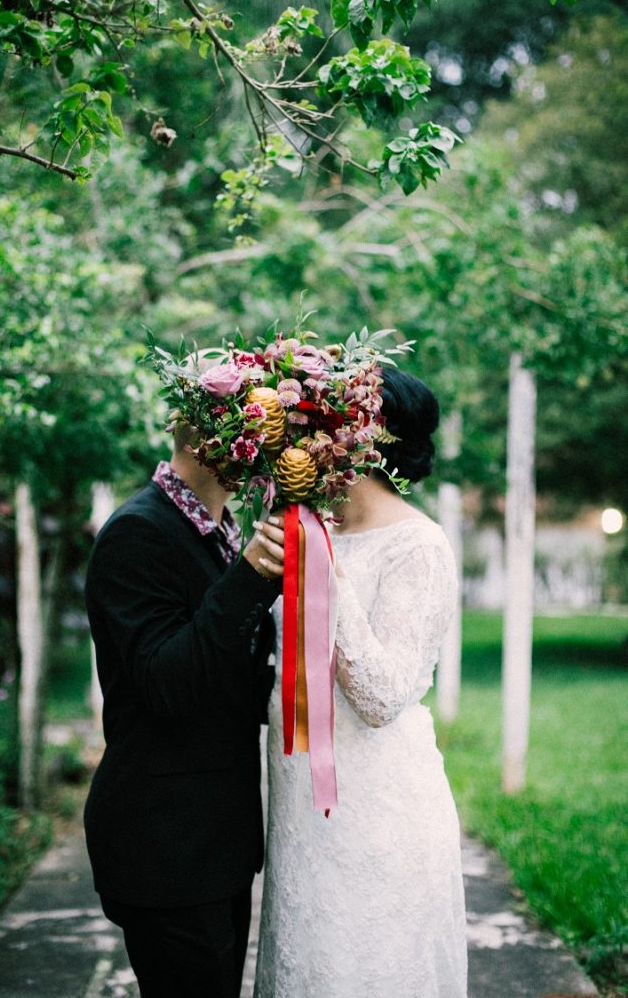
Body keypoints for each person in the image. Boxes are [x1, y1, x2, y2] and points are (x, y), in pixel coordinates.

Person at [255, 368, 468, 998]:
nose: (309, 434)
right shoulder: (309, 526)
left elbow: (380, 696)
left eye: (328, 421)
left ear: (369, 440)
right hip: (298, 806)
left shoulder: (420, 546)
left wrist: (326, 585)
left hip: (376, 807)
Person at [83, 420, 286, 998]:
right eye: (255, 428)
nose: (270, 444)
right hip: (165, 840)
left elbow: (229, 673)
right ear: (199, 436)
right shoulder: (137, 533)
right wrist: (248, 576)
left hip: (214, 840)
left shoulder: (215, 529)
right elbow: (166, 683)